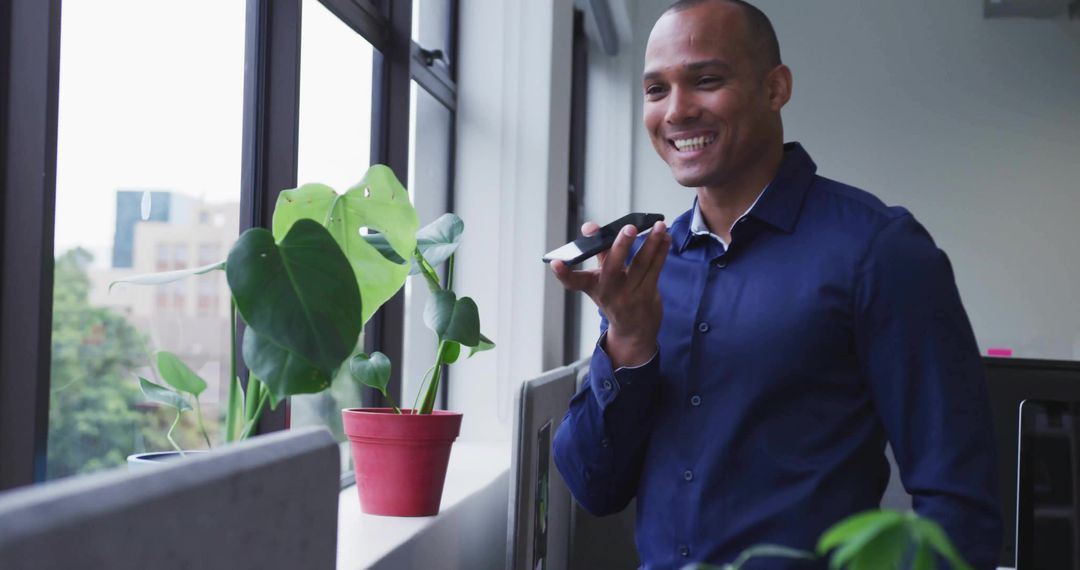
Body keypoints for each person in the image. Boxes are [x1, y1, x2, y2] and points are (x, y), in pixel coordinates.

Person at [549, 0, 1003, 568]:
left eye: (706, 80)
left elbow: (960, 507)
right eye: (656, 89)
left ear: (775, 88)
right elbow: (596, 489)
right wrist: (627, 343)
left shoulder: (881, 250)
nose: (677, 111)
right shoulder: (643, 269)